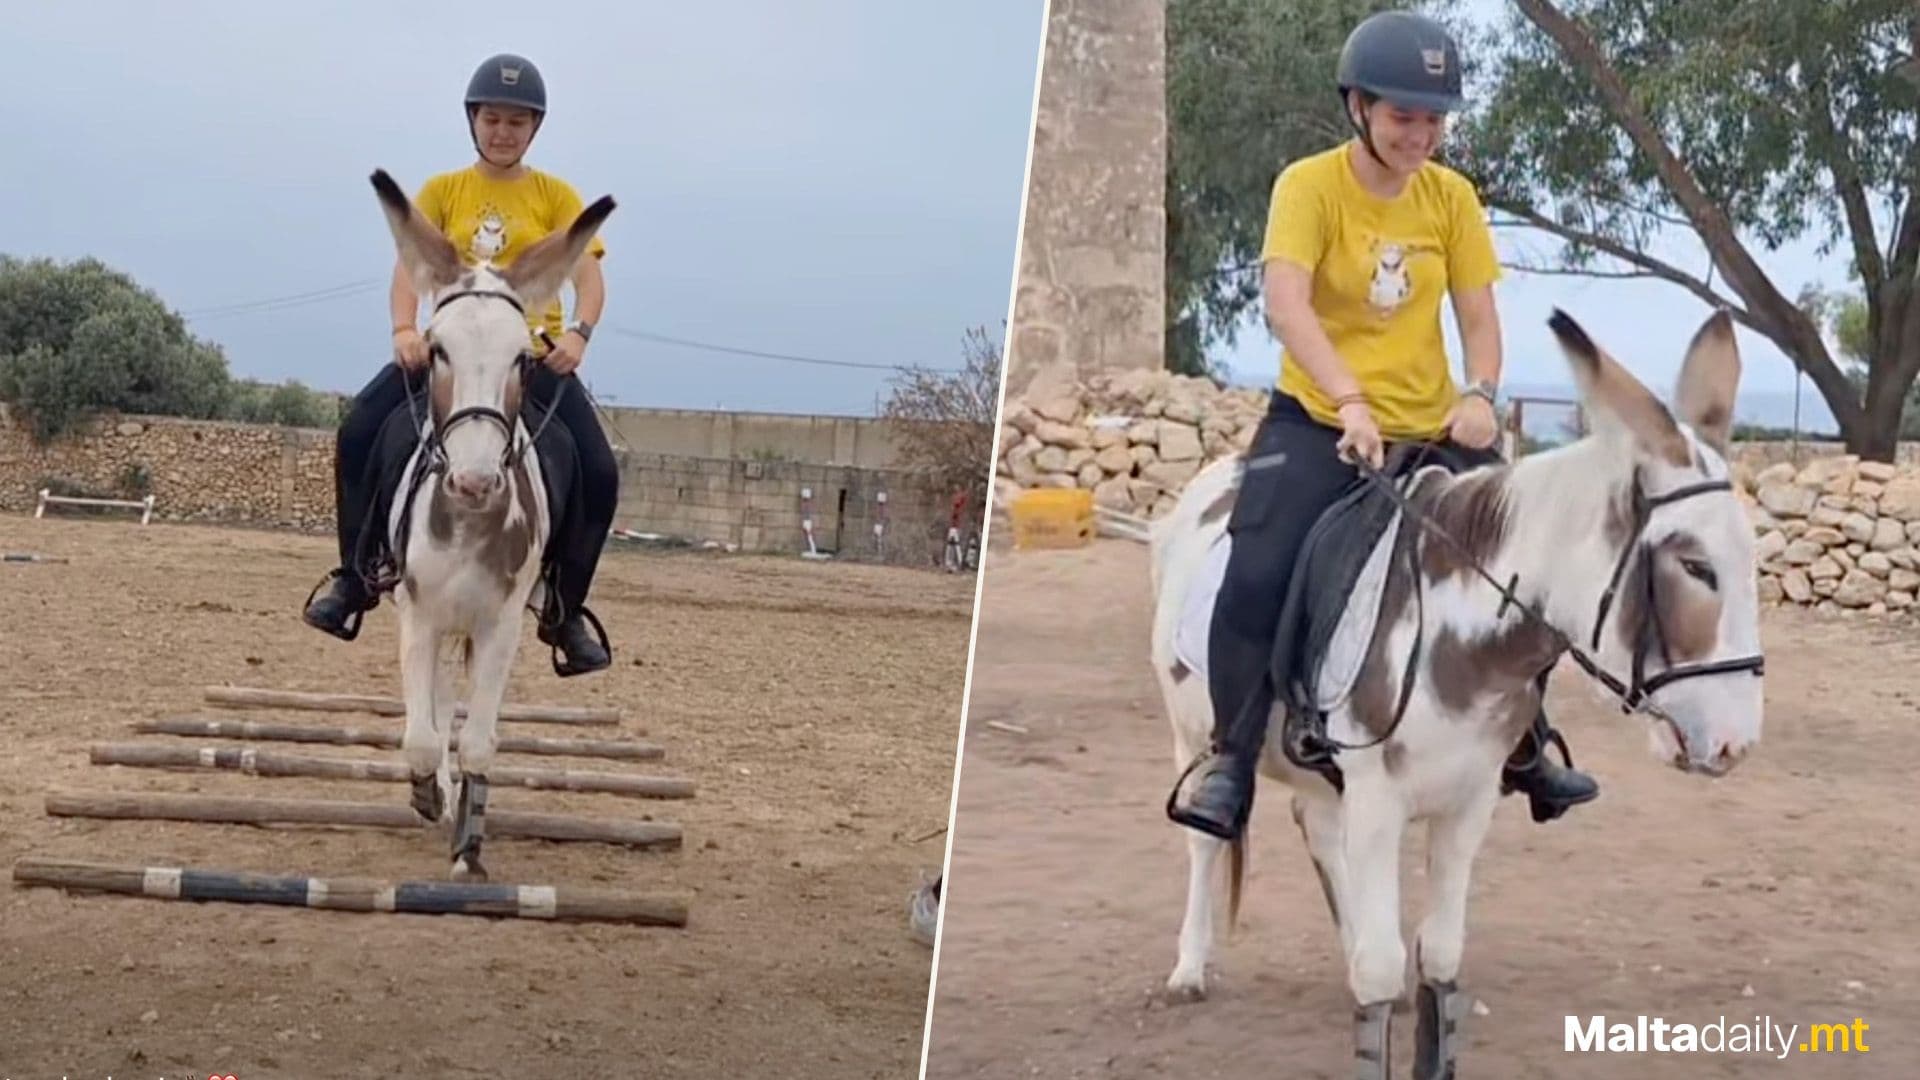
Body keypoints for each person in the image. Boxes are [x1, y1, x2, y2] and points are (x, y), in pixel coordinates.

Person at [1165, 11, 1599, 841]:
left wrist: (1480, 391)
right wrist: (1350, 401)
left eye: (1435, 119)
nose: (1422, 135)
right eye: (1405, 116)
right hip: (1321, 420)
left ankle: (1527, 741)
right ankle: (1231, 755)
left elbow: (1479, 312)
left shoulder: (1453, 199)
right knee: (1258, 567)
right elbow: (1286, 306)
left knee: (1526, 569)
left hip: (1438, 426)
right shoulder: (1308, 187)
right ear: (1358, 106)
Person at [302, 53, 620, 676]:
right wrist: (402, 329)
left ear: (535, 129)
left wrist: (579, 334)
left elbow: (589, 277)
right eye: (493, 119)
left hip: (529, 358)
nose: (503, 132)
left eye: (517, 122)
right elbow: (407, 270)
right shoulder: (444, 191)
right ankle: (356, 577)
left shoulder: (556, 196)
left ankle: (565, 609)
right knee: (361, 432)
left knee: (600, 472)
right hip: (447, 354)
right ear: (473, 121)